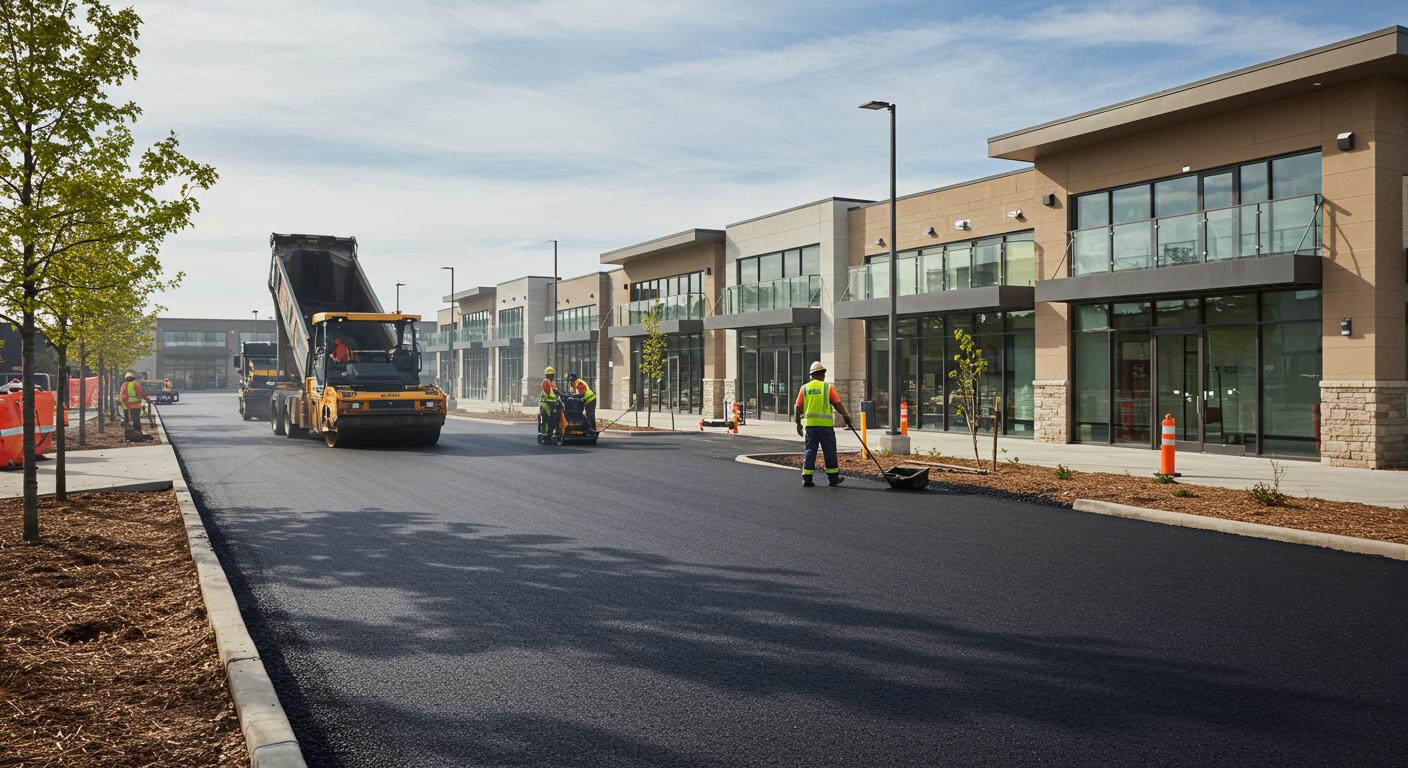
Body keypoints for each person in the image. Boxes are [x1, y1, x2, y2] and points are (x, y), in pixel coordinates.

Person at [794, 360, 852, 487]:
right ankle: (833, 478)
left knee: (810, 450)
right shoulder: (827, 388)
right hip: (825, 427)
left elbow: (797, 407)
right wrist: (846, 416)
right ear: (823, 374)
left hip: (810, 427)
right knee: (829, 451)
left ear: (811, 375)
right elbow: (837, 403)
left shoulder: (804, 388)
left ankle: (807, 478)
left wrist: (798, 422)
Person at [539, 366, 560, 440]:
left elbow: (555, 391)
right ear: (548, 375)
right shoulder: (546, 382)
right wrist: (555, 391)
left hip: (552, 404)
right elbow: (548, 391)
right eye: (552, 375)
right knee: (547, 421)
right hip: (546, 405)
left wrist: (558, 393)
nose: (553, 376)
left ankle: (549, 435)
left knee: (553, 421)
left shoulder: (552, 382)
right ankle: (545, 437)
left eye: (553, 375)